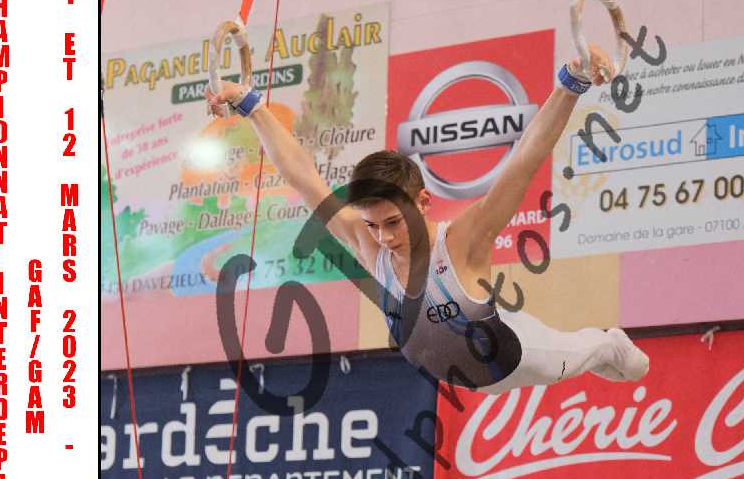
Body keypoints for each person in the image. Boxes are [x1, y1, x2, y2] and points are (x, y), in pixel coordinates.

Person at [206, 44, 649, 394]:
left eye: (393, 222)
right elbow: (303, 177)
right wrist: (251, 106)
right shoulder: (368, 246)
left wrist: (571, 83)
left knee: (610, 359)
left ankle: (609, 343)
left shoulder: (461, 242)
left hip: (517, 357)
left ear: (423, 202)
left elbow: (525, 160)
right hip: (461, 377)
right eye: (373, 225)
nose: (384, 238)